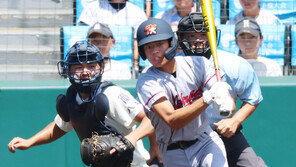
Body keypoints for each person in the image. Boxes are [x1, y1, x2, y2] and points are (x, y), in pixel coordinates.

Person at [7, 40, 153, 167]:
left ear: (100, 68)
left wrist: (130, 139)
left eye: (91, 66)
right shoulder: (72, 98)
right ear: (68, 70)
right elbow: (59, 126)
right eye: (78, 67)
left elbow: (151, 119)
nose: (85, 71)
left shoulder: (111, 94)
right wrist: (29, 142)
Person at [136, 18, 236, 167]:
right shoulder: (146, 81)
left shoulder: (198, 63)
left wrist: (225, 99)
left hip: (205, 141)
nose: (155, 50)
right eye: (149, 47)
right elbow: (173, 121)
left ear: (171, 43)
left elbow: (227, 101)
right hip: (172, 150)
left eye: (159, 44)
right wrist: (208, 98)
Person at [176, 12, 267, 167]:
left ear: (212, 36)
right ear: (181, 38)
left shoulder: (234, 64)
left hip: (223, 131)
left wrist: (234, 121)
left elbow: (252, 99)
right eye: (191, 36)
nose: (198, 40)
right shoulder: (171, 67)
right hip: (184, 138)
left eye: (203, 35)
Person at [77, 0, 147, 72]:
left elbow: (139, 43)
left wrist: (135, 63)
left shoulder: (137, 12)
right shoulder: (92, 8)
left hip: (126, 66)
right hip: (93, 65)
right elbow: (83, 38)